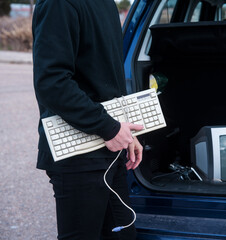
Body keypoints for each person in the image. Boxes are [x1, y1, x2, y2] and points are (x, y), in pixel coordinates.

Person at [32, 0, 143, 239]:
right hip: (77, 153)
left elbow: (108, 83)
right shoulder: (59, 4)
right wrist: (109, 127)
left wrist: (125, 132)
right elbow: (52, 82)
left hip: (110, 148)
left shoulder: (106, 4)